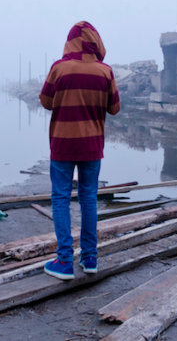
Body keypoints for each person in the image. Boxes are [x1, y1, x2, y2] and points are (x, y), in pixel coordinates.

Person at [39, 21, 121, 280]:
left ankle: (64, 260)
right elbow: (115, 108)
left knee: (61, 198)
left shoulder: (59, 68)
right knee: (88, 198)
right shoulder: (105, 72)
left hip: (63, 144)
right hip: (92, 145)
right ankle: (90, 258)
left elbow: (46, 101)